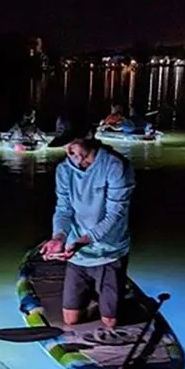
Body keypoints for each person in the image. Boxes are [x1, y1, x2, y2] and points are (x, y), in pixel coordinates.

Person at [43, 115, 136, 332]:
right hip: (79, 254)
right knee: (71, 320)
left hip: (109, 251)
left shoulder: (116, 167)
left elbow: (115, 215)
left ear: (88, 135)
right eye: (64, 144)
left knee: (111, 322)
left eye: (72, 142)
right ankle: (102, 294)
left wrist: (84, 240)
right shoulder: (64, 170)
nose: (68, 150)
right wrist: (59, 237)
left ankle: (112, 296)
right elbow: (63, 209)